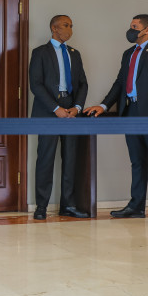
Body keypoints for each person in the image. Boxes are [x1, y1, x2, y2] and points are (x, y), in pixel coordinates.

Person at [83, 14, 148, 227]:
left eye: (134, 26)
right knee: (137, 161)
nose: (131, 30)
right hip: (131, 111)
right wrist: (103, 105)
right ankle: (136, 206)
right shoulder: (129, 53)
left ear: (147, 30)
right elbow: (119, 82)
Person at [29, 15, 89, 220]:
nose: (70, 29)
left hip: (71, 111)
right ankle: (41, 206)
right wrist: (55, 108)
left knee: (70, 159)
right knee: (45, 159)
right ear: (54, 28)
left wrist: (77, 107)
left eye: (71, 25)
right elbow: (36, 84)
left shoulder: (74, 53)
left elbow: (83, 84)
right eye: (66, 25)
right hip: (48, 111)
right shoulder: (40, 53)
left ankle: (68, 205)